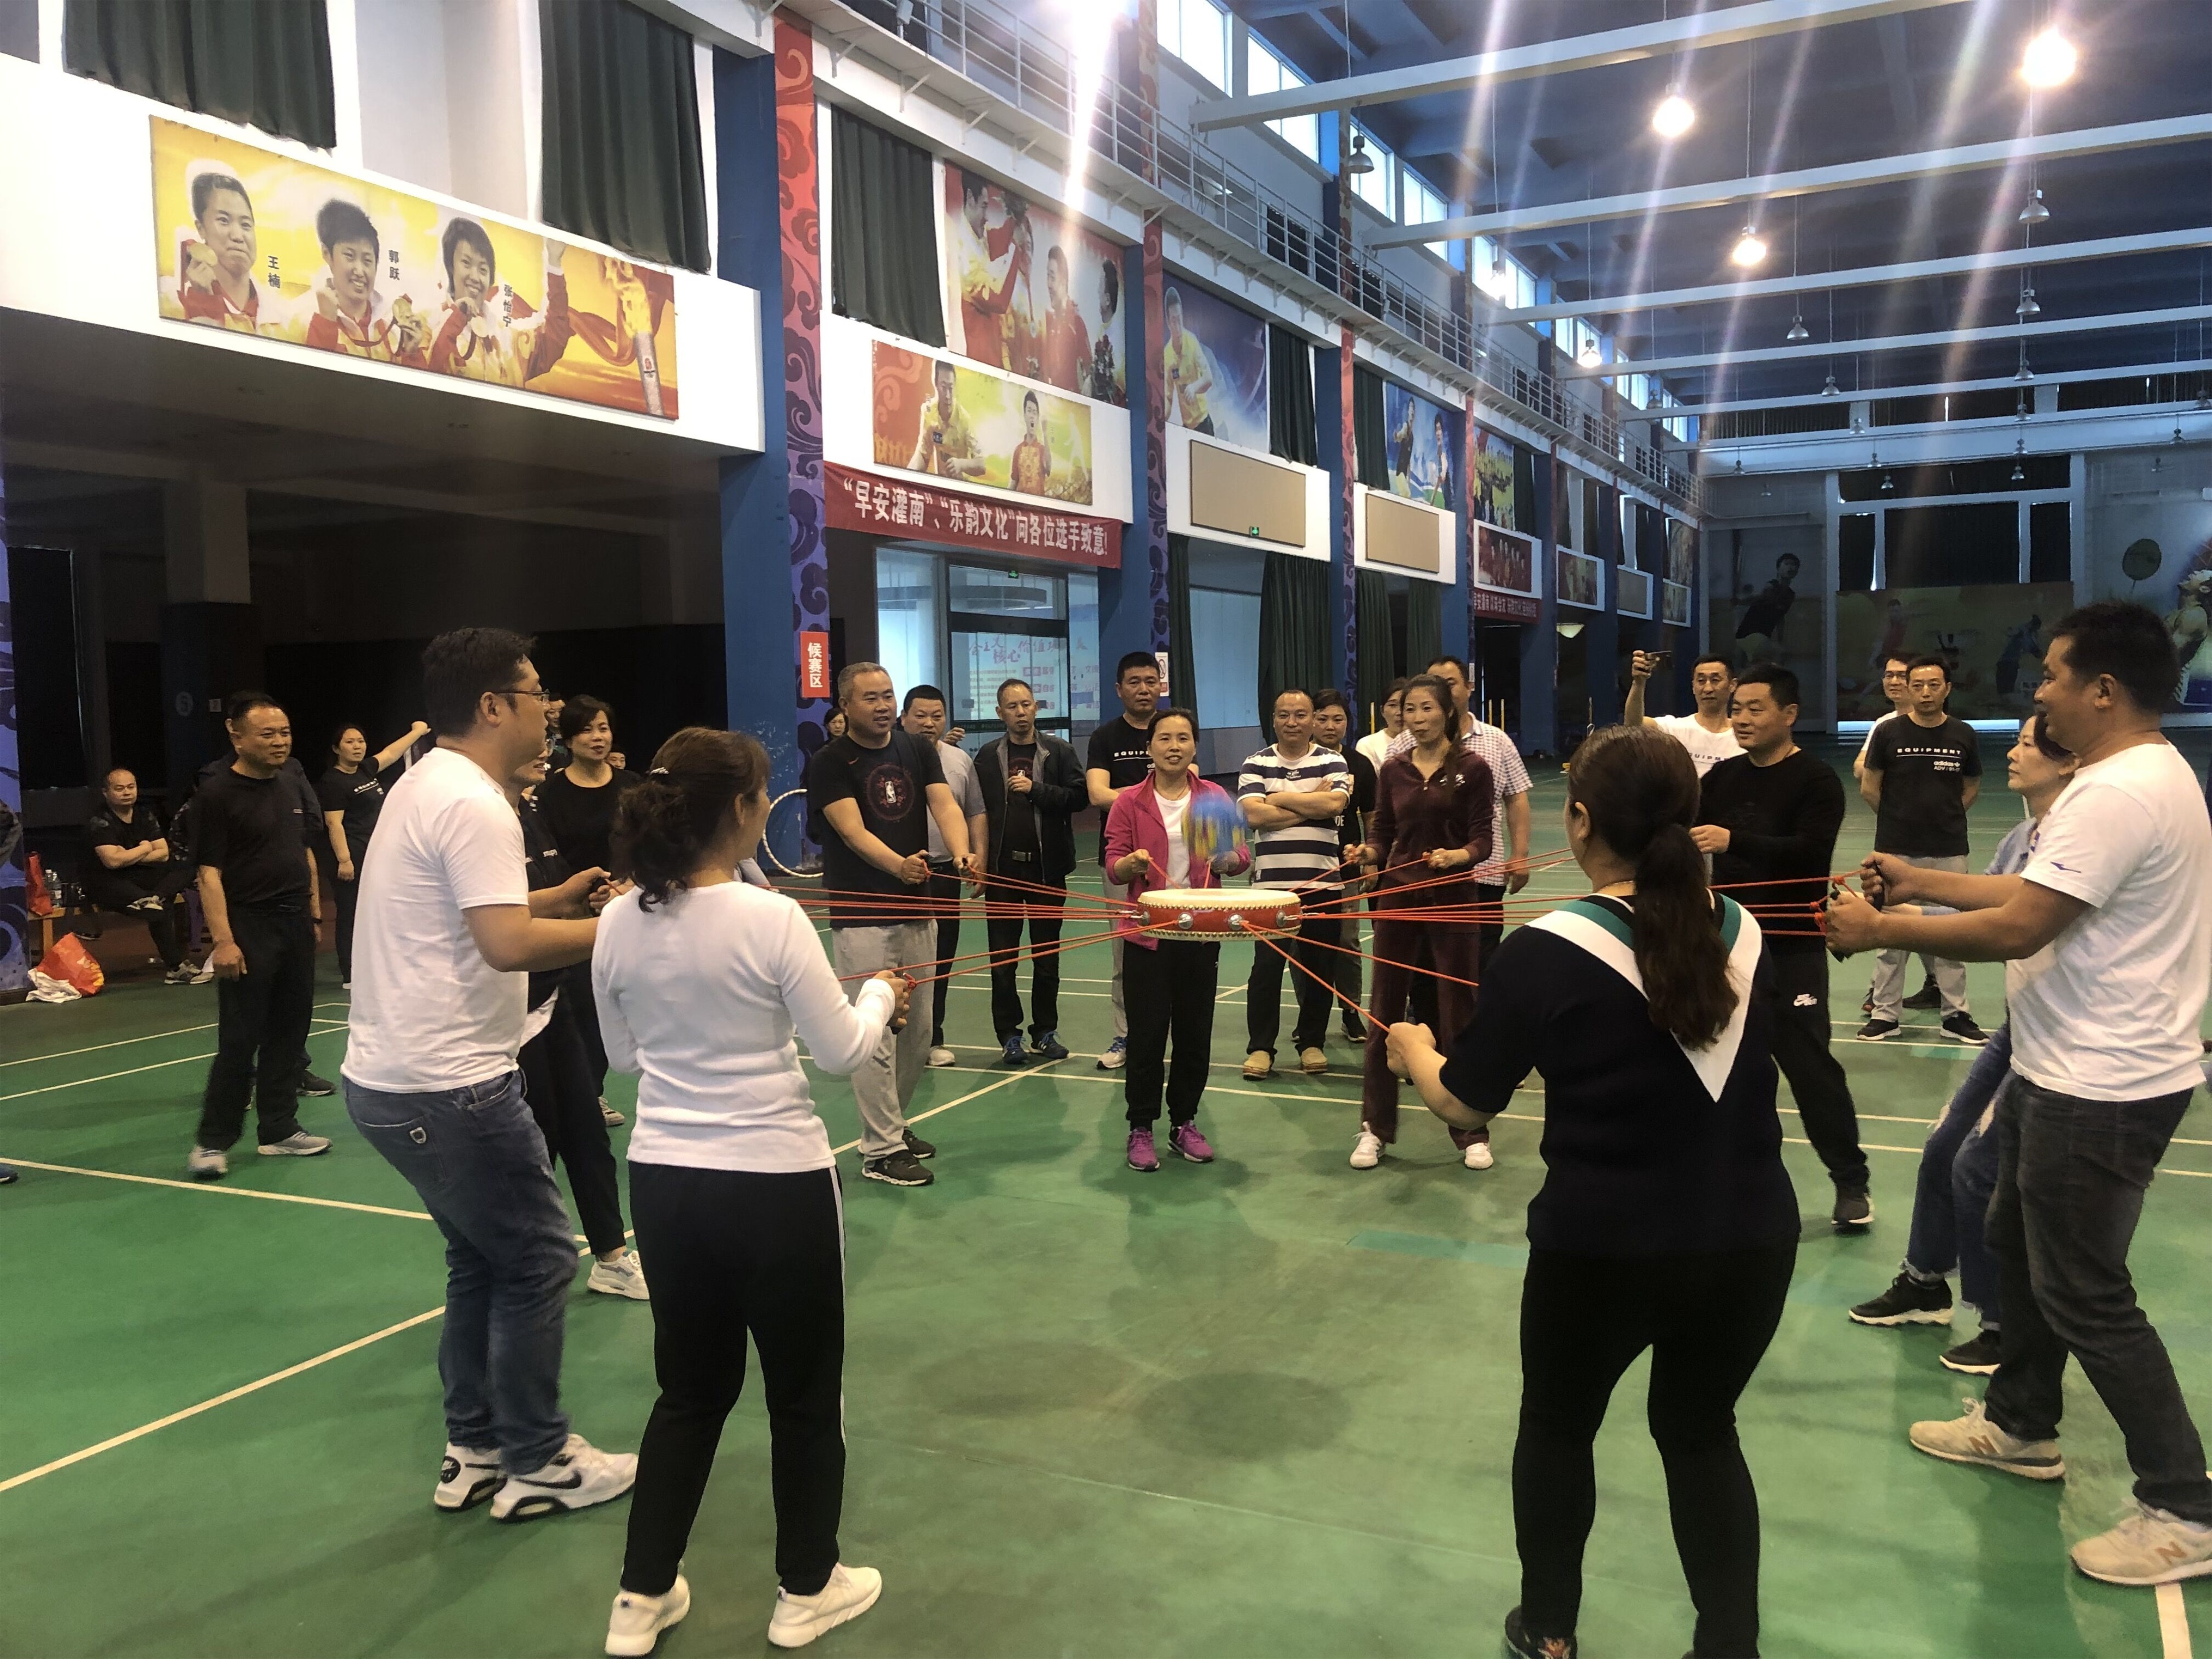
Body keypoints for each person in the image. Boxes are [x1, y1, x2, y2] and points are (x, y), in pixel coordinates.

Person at [1387, 724, 1798, 1659]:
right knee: (1701, 1435)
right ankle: (1728, 1645)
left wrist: (1414, 1050)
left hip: (1603, 1249)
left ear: (1578, 822)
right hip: (1747, 1240)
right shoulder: (1743, 931)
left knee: (1557, 1428)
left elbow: (1464, 1099)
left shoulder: (1544, 949)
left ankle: (1548, 1631)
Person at [1828, 602, 2212, 1585]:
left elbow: (2020, 928)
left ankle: (2183, 1505)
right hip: (2061, 1065)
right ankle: (2019, 1422)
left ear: (2102, 691)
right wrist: (1918, 880)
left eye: (2050, 675)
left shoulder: (2116, 793)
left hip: (2101, 1081)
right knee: (2011, 1234)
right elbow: (2026, 895)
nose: (2036, 692)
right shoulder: (2129, 778)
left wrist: (1882, 929)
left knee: (2085, 1291)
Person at [594, 728, 902, 1655]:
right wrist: (881, 994)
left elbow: (622, 1059)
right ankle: (807, 1587)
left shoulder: (617, 922)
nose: (768, 807)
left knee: (688, 1393)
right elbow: (842, 1051)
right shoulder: (772, 919)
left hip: (665, 1183)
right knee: (802, 1395)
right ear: (738, 809)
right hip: (774, 1185)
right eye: (763, 794)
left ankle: (640, 1597)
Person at [343, 628, 635, 1523]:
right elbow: (505, 945)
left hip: (391, 1081)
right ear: (493, 705)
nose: (551, 708)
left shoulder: (426, 782)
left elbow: (477, 914)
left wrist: (558, 900)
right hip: (452, 1085)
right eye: (538, 692)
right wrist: (632, 929)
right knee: (541, 1257)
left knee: (480, 1259)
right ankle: (537, 1458)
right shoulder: (476, 804)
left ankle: (473, 1448)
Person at [1848, 714, 2077, 1371]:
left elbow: (2006, 930)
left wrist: (1883, 929)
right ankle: (1924, 1283)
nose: (2012, 752)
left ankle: (2003, 1326)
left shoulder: (2078, 841)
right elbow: (1968, 908)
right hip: (2017, 1025)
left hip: (2056, 1038)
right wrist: (1887, 907)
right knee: (1941, 1148)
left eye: (2026, 744)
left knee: (1977, 1169)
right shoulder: (2019, 838)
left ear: (2066, 762)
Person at [1693, 664, 1874, 1230]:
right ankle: (1722, 1179)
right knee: (1717, 1066)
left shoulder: (1815, 780)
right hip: (1728, 944)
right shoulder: (1720, 778)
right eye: (1736, 709)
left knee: (1809, 1067)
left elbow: (1809, 853)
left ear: (1789, 714)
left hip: (1792, 947)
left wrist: (1734, 840)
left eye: (1754, 708)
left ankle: (1850, 1179)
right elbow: (1683, 834)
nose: (1741, 718)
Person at [806, 662, 977, 1187]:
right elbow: (851, 831)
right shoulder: (829, 762)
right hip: (862, 914)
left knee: (918, 1031)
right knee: (873, 1034)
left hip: (917, 906)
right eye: (870, 698)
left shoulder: (915, 748)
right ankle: (881, 1149)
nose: (882, 706)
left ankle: (892, 1127)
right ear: (845, 705)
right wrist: (898, 866)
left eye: (887, 696)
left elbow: (944, 803)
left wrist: (963, 852)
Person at [514, 750, 645, 1302]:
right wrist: (620, 926)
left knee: (587, 1131)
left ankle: (610, 1257)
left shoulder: (528, 812)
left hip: (554, 994)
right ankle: (527, 1265)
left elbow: (536, 904)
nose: (543, 750)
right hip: (509, 1017)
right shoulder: (476, 817)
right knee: (536, 1140)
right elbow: (502, 928)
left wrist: (579, 899)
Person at [1355, 673, 1496, 1172]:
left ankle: (1471, 1129)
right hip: (1397, 898)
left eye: (1426, 709)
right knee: (1383, 1011)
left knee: (1458, 1011)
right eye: (1408, 710)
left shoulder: (1473, 768)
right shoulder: (1392, 769)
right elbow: (1383, 830)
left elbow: (1482, 838)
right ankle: (1374, 1127)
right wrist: (1369, 852)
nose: (1415, 718)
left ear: (1447, 712)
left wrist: (1459, 856)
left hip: (1454, 899)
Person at [187, 694, 331, 1179]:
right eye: (267, 734)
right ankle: (212, 1141)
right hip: (249, 927)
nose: (279, 742)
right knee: (240, 1038)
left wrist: (313, 913)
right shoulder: (216, 795)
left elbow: (303, 851)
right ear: (236, 736)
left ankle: (279, 1130)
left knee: (290, 1033)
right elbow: (208, 873)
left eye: (285, 732)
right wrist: (224, 941)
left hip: (295, 923)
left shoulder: (290, 783)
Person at [1104, 709, 1249, 1171]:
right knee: (1147, 1037)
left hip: (1201, 933)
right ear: (1150, 747)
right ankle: (1141, 1127)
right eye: (1164, 738)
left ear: (1194, 746)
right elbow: (1113, 865)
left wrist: (1228, 860)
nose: (1174, 746)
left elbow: (1241, 856)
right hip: (1148, 934)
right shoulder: (1129, 802)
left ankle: (1185, 1122)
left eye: (1183, 738)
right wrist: (1131, 865)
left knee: (1194, 1035)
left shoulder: (1214, 797)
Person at [1859, 655, 1988, 1044]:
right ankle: (1885, 1015)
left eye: (1934, 685)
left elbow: (1971, 787)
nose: (1926, 692)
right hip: (1894, 851)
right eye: (1918, 685)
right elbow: (1870, 786)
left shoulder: (1963, 734)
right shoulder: (1888, 733)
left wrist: (1941, 819)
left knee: (1951, 934)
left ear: (1948, 689)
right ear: (1909, 689)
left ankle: (1956, 1015)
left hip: (1949, 850)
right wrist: (1900, 822)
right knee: (1890, 935)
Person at [1386, 654, 1532, 977]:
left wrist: (1520, 855)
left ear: (1468, 688)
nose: (1439, 690)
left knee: (1478, 968)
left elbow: (1517, 798)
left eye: (1449, 684)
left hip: (1484, 876)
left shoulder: (1496, 741)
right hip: (1419, 880)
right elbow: (1388, 817)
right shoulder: (1401, 748)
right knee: (1422, 973)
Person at [539, 696, 645, 1124]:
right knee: (586, 1012)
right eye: (586, 730)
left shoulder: (632, 787)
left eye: (603, 728)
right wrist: (581, 897)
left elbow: (649, 846)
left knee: (638, 1008)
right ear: (567, 740)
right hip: (576, 919)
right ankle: (587, 1097)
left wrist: (627, 888)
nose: (598, 738)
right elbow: (549, 856)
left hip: (633, 909)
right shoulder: (548, 795)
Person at [1237, 689, 1351, 1081]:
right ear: (1273, 719)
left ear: (1312, 720)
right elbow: (1254, 817)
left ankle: (1312, 1042)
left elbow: (1334, 805)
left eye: (1301, 715)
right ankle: (1260, 1048)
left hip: (1323, 884)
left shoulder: (1332, 760)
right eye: (1284, 715)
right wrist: (1309, 802)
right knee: (1266, 970)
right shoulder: (1256, 762)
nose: (1292, 722)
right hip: (1270, 891)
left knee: (1320, 968)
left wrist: (1278, 798)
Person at [973, 677, 1084, 1067]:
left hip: (1047, 873)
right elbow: (977, 811)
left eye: (1026, 704)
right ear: (1000, 713)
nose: (1020, 712)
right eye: (1012, 706)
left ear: (1036, 707)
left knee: (1047, 959)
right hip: (1003, 874)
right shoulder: (987, 757)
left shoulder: (1059, 751)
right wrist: (979, 862)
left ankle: (1045, 1032)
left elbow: (1079, 797)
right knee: (1003, 961)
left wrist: (1036, 789)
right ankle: (1009, 1036)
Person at [899, 686, 986, 1069]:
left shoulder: (959, 760)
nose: (929, 723)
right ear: (904, 718)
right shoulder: (891, 758)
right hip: (900, 873)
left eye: (937, 716)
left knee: (941, 957)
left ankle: (932, 1038)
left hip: (945, 870)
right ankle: (891, 1037)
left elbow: (974, 812)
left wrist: (975, 858)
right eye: (920, 715)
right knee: (899, 958)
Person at [1085, 652, 1163, 1071]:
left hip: (1172, 863)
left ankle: (1164, 1034)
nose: (1144, 689)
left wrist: (1129, 800)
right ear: (1119, 689)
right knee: (1125, 953)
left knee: (1173, 951)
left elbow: (1187, 785)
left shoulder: (1172, 728)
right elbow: (1097, 794)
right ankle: (1125, 1035)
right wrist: (1149, 800)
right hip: (1119, 862)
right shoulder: (1105, 738)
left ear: (1160, 686)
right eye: (1134, 682)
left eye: (1151, 681)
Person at [321, 720, 431, 988]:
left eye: (360, 741)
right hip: (352, 858)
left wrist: (417, 733)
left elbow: (391, 753)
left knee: (379, 910)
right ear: (336, 749)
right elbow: (334, 824)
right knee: (351, 914)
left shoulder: (365, 770)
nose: (357, 746)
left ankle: (377, 964)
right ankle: (350, 973)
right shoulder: (333, 782)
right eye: (350, 742)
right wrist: (345, 860)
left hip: (375, 855)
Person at [428, 218, 576, 386]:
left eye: (483, 269)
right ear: (450, 266)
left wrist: (554, 263)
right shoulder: (428, 326)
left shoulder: (507, 339)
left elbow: (552, 342)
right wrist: (456, 318)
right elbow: (431, 371)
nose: (475, 277)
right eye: (466, 264)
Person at [83, 768, 197, 984]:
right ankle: (176, 968)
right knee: (159, 912)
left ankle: (156, 897)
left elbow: (163, 854)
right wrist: (144, 848)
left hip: (138, 875)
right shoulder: (99, 821)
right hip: (106, 881)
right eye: (120, 789)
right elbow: (112, 862)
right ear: (106, 792)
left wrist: (128, 855)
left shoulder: (145, 815)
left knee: (185, 867)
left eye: (131, 787)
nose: (127, 792)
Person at [1313, 690, 1376, 1043]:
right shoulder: (1297, 763)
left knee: (1348, 942)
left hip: (1347, 867)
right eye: (1322, 718)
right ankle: (1310, 1017)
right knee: (1304, 946)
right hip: (1306, 868)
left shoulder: (1360, 764)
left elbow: (1371, 816)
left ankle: (1351, 1013)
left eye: (1338, 719)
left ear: (1347, 724)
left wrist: (1371, 861)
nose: (1330, 726)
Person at [302, 199, 427, 365]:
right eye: (350, 256)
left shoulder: (390, 327)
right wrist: (326, 324)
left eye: (368, 261)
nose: (360, 271)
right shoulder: (304, 320)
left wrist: (411, 354)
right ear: (327, 254)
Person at [175, 171, 269, 334]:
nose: (238, 236)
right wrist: (203, 302)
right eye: (224, 221)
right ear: (201, 228)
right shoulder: (172, 304)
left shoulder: (287, 320)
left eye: (246, 225)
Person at [1625, 650, 1743, 777]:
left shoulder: (1744, 734)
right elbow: (1633, 725)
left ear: (1732, 685)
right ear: (1693, 687)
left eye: (1715, 680)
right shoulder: (1674, 730)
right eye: (1701, 681)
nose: (1708, 689)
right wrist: (1639, 682)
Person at [906, 359, 987, 480]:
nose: (948, 396)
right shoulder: (928, 411)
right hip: (940, 482)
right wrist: (905, 476)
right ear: (936, 384)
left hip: (961, 486)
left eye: (951, 388)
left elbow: (981, 465)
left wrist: (961, 464)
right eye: (944, 388)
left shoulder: (964, 419)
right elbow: (923, 454)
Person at [1159, 287, 1214, 434]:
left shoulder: (1192, 342)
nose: (1178, 326)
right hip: (1187, 428)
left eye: (1180, 319)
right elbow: (1168, 398)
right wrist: (1161, 420)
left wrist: (1194, 387)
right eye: (1174, 321)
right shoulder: (1167, 355)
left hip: (1204, 423)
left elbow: (1209, 379)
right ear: (1168, 322)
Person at [1040, 245, 1091, 396]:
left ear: (1064, 281)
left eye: (1053, 278)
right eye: (1047, 277)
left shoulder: (1076, 324)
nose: (1048, 284)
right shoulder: (1049, 322)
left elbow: (1089, 376)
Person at [1356, 680, 1406, 773]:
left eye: (1405, 705)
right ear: (1382, 711)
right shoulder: (1367, 744)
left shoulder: (1423, 742)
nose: (1399, 712)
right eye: (1393, 705)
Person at [1010, 390, 1052, 495]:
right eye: (1029, 411)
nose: (1032, 416)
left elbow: (1048, 468)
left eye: (1035, 412)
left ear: (1038, 418)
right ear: (1025, 415)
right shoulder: (1018, 450)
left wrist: (1045, 433)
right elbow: (1014, 482)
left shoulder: (1042, 449)